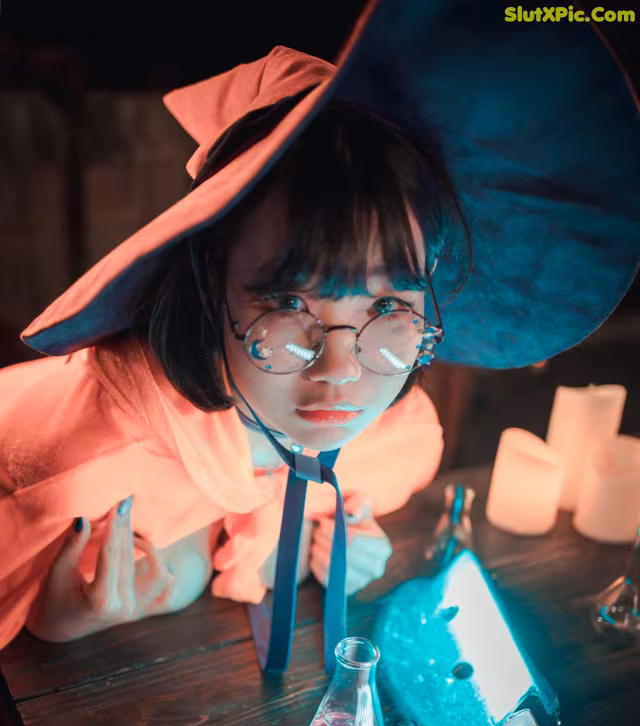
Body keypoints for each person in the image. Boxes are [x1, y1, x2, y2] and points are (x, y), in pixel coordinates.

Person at [1, 0, 638, 667]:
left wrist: (333, 540)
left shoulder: (386, 434)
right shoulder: (75, 470)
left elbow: (370, 465)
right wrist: (49, 617)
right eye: (288, 302)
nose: (340, 370)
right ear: (207, 284)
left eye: (387, 303)